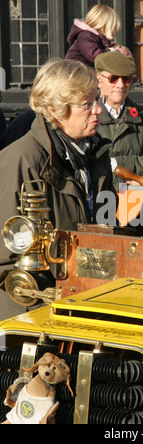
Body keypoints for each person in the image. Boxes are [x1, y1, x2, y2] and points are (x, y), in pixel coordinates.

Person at [0, 59, 116, 318]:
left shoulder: (97, 156)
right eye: (87, 104)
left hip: (88, 304)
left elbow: (108, 236)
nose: (98, 110)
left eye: (97, 99)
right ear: (54, 110)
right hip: (36, 317)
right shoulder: (20, 160)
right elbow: (5, 264)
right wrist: (47, 314)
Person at [95, 51, 143, 189]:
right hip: (97, 198)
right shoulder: (88, 115)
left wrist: (116, 163)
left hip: (133, 199)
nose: (121, 85)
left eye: (126, 79)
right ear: (99, 80)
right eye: (114, 78)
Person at [65, 4, 131, 67]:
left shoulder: (96, 39)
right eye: (114, 30)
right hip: (75, 73)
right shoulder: (86, 36)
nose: (115, 34)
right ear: (104, 27)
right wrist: (115, 51)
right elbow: (96, 56)